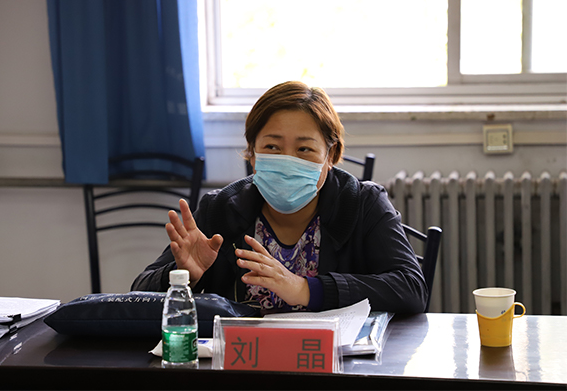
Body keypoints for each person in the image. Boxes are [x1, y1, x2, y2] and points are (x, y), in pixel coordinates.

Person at [131, 81, 427, 313]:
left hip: (333, 364)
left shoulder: (363, 203)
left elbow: (412, 289)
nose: (287, 161)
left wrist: (305, 289)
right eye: (272, 147)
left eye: (304, 149)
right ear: (252, 154)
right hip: (244, 362)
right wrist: (184, 275)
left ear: (331, 156)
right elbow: (139, 291)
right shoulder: (221, 208)